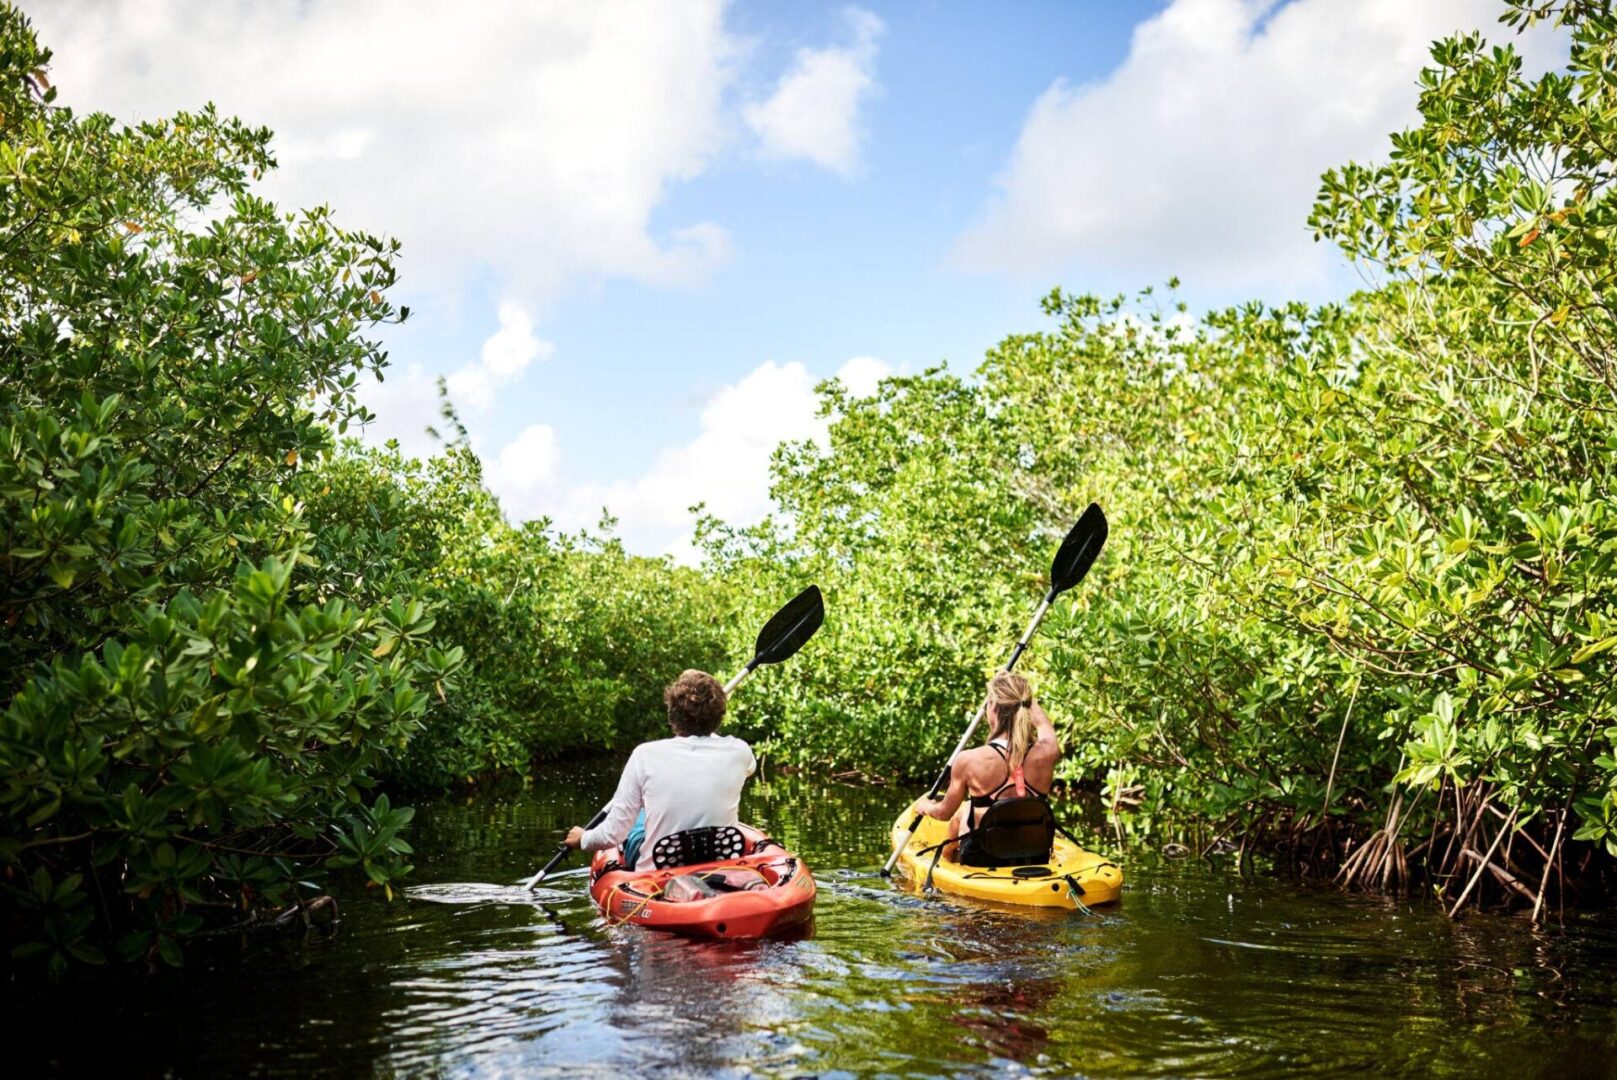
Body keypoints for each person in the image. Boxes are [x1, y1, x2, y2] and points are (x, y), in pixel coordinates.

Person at [563, 669, 756, 871]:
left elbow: (613, 835)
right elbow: (750, 769)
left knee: (640, 815)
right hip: (719, 859)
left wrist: (583, 838)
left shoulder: (644, 755)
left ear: (672, 714)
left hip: (658, 869)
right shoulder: (739, 750)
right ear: (719, 716)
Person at [915, 670, 1059, 860]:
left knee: (965, 809)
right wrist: (1020, 692)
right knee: (970, 809)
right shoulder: (1048, 751)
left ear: (992, 708)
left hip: (983, 857)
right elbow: (1041, 722)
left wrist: (923, 806)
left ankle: (946, 860)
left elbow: (943, 813)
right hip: (1034, 855)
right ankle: (947, 859)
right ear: (1026, 705)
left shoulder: (968, 760)